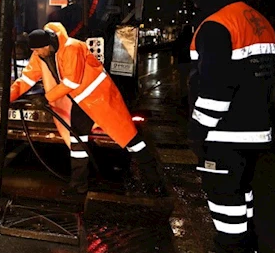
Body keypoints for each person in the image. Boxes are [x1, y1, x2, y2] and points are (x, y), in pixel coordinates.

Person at [183, 0, 275, 253]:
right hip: (256, 129)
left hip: (225, 131)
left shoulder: (216, 26)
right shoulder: (257, 20)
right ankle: (246, 249)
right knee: (242, 192)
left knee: (223, 194)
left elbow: (215, 88)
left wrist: (199, 129)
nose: (195, 6)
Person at [9, 22, 164, 196]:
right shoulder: (42, 55)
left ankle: (155, 181)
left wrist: (45, 98)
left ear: (48, 45)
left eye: (38, 50)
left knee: (130, 140)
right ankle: (78, 184)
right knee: (77, 140)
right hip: (80, 102)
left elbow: (71, 81)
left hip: (102, 100)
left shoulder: (73, 48)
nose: (35, 54)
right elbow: (27, 79)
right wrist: (6, 97)